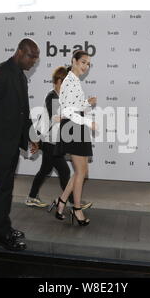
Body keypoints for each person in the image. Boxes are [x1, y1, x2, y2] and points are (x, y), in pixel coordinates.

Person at [0, 38, 40, 251]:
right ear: (20, 52)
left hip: (13, 142)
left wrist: (30, 138)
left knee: (7, 186)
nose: (34, 61)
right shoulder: (0, 74)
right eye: (32, 57)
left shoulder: (20, 77)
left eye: (36, 58)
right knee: (4, 187)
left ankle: (3, 226)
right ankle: (1, 233)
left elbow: (23, 112)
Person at [28, 67, 93, 210]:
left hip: (52, 141)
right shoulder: (52, 97)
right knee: (65, 172)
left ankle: (32, 197)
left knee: (45, 170)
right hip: (50, 142)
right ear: (58, 82)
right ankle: (72, 201)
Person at [49, 50, 97, 226]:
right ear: (74, 61)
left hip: (77, 128)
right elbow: (68, 111)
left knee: (81, 172)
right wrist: (88, 122)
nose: (85, 66)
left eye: (88, 64)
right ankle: (77, 209)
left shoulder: (74, 80)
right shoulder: (69, 80)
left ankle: (61, 202)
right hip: (73, 129)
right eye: (83, 62)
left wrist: (87, 103)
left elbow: (74, 106)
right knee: (81, 172)